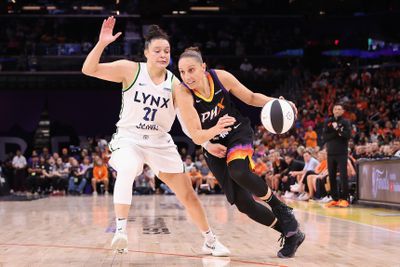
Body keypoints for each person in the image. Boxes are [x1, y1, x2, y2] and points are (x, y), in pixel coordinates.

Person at [81, 17, 229, 256]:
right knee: (128, 168)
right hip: (130, 138)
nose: (163, 54)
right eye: (158, 50)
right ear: (146, 52)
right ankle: (121, 231)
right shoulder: (130, 70)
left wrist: (208, 143)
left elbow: (187, 122)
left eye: (167, 51)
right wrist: (101, 44)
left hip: (160, 142)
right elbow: (89, 69)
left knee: (187, 194)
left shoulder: (176, 85)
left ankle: (210, 240)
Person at [176, 47, 305, 258]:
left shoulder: (220, 77)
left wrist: (278, 103)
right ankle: (291, 233)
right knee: (244, 204)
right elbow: (196, 135)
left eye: (191, 70)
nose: (187, 77)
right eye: (182, 72)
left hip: (237, 132)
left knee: (238, 170)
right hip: (213, 145)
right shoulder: (183, 92)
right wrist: (214, 131)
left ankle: (281, 208)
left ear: (203, 67)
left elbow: (252, 97)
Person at [322, 103, 351, 208]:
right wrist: (337, 132)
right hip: (330, 153)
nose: (337, 111)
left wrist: (337, 132)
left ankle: (344, 199)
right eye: (335, 109)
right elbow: (325, 137)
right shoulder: (328, 121)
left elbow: (348, 135)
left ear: (343, 111)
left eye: (339, 109)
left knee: (343, 176)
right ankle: (335, 199)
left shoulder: (346, 122)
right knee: (332, 176)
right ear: (333, 111)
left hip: (342, 152)